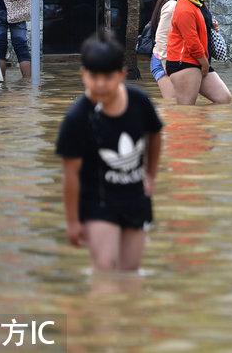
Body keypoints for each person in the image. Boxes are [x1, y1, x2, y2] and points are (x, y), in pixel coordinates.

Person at [56, 31, 163, 272]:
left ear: (122, 75)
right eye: (94, 76)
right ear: (84, 75)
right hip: (97, 200)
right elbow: (70, 174)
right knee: (105, 268)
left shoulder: (139, 102)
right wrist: (73, 221)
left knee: (130, 272)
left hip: (135, 198)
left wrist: (151, 175)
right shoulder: (77, 118)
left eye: (108, 76)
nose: (101, 84)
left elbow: (155, 135)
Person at [165, 0, 232, 106]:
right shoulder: (184, 9)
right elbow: (192, 42)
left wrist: (211, 25)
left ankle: (202, 126)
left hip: (198, 61)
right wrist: (204, 63)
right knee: (187, 112)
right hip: (184, 63)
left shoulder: (196, 2)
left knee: (224, 99)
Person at [149, 0, 180, 99]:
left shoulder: (170, 3)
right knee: (172, 104)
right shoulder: (172, 5)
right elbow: (161, 37)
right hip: (162, 60)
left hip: (166, 59)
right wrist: (165, 63)